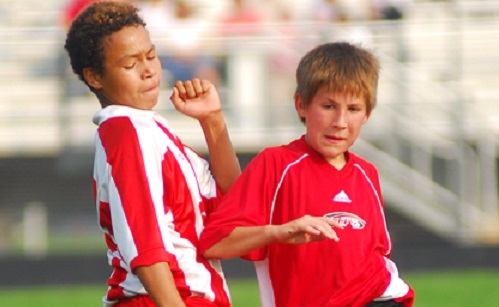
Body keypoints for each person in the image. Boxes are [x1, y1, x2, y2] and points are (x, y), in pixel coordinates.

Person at [199, 42, 415, 307]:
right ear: (301, 105)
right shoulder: (276, 164)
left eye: (354, 109)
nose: (340, 122)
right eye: (328, 106)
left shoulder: (367, 173)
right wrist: (279, 232)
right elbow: (215, 243)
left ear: (367, 114)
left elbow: (379, 253)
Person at [64, 1, 240, 306]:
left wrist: (212, 121)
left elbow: (235, 202)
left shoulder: (149, 130)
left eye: (152, 56)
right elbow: (145, 248)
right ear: (94, 77)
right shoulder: (127, 131)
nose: (148, 70)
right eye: (131, 64)